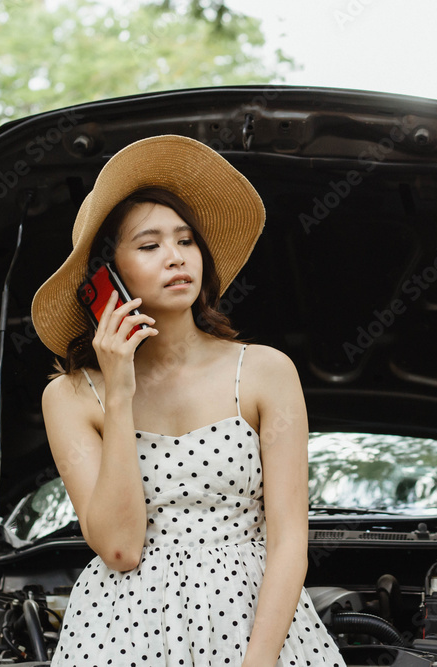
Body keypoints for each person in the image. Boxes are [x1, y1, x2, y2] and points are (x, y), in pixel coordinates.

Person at [31, 135, 345, 666]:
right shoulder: (69, 396)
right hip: (120, 634)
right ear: (105, 277)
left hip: (259, 628)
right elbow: (120, 548)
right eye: (150, 246)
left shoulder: (265, 371)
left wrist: (259, 663)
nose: (175, 257)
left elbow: (290, 540)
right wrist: (120, 392)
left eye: (186, 241)